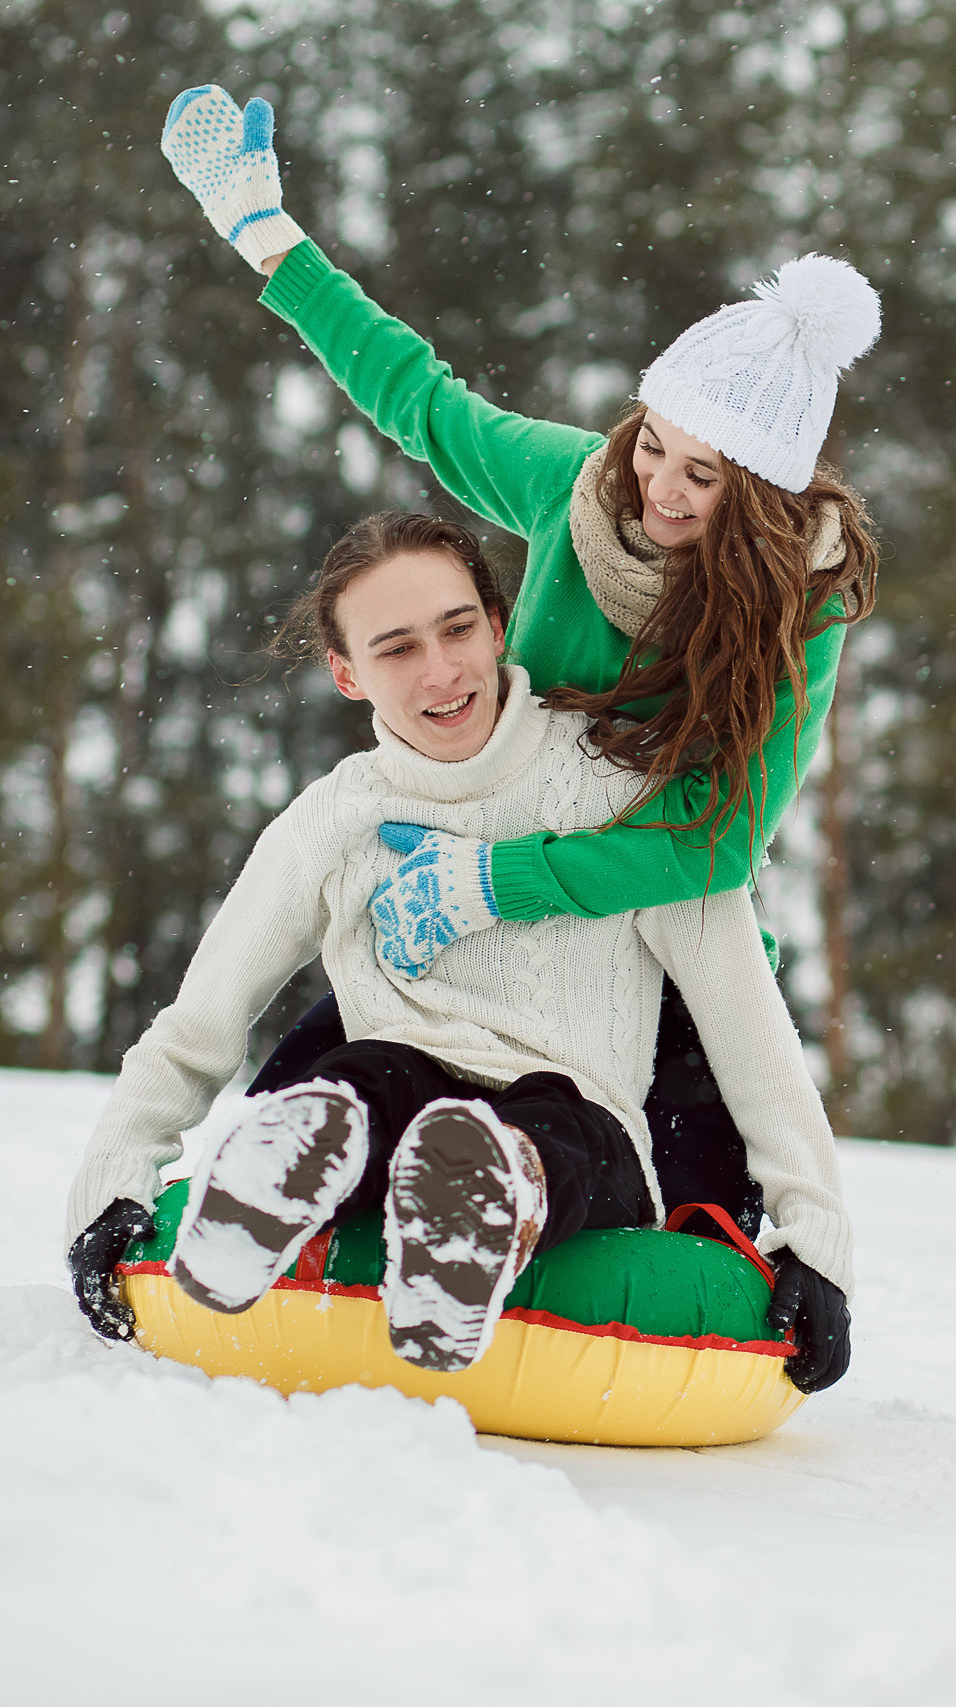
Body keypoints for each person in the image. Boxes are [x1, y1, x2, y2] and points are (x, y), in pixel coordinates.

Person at [154, 83, 879, 1284]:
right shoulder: (574, 490)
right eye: (655, 443)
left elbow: (715, 843)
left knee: (679, 1159)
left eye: (706, 477)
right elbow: (421, 400)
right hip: (468, 851)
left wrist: (513, 881)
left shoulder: (798, 609)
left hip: (638, 897)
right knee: (321, 1075)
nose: (661, 487)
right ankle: (298, 1204)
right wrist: (264, 234)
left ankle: (629, 1243)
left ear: (763, 497)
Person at [64, 514, 854, 1386]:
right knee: (367, 1075)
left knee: (550, 1120)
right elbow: (197, 1024)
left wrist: (814, 1240)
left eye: (456, 628)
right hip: (395, 1094)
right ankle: (287, 1167)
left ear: (498, 622)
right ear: (346, 673)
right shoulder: (334, 820)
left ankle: (483, 1194)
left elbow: (750, 1034)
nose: (440, 672)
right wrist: (112, 1183)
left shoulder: (624, 794)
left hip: (583, 1125)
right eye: (396, 649)